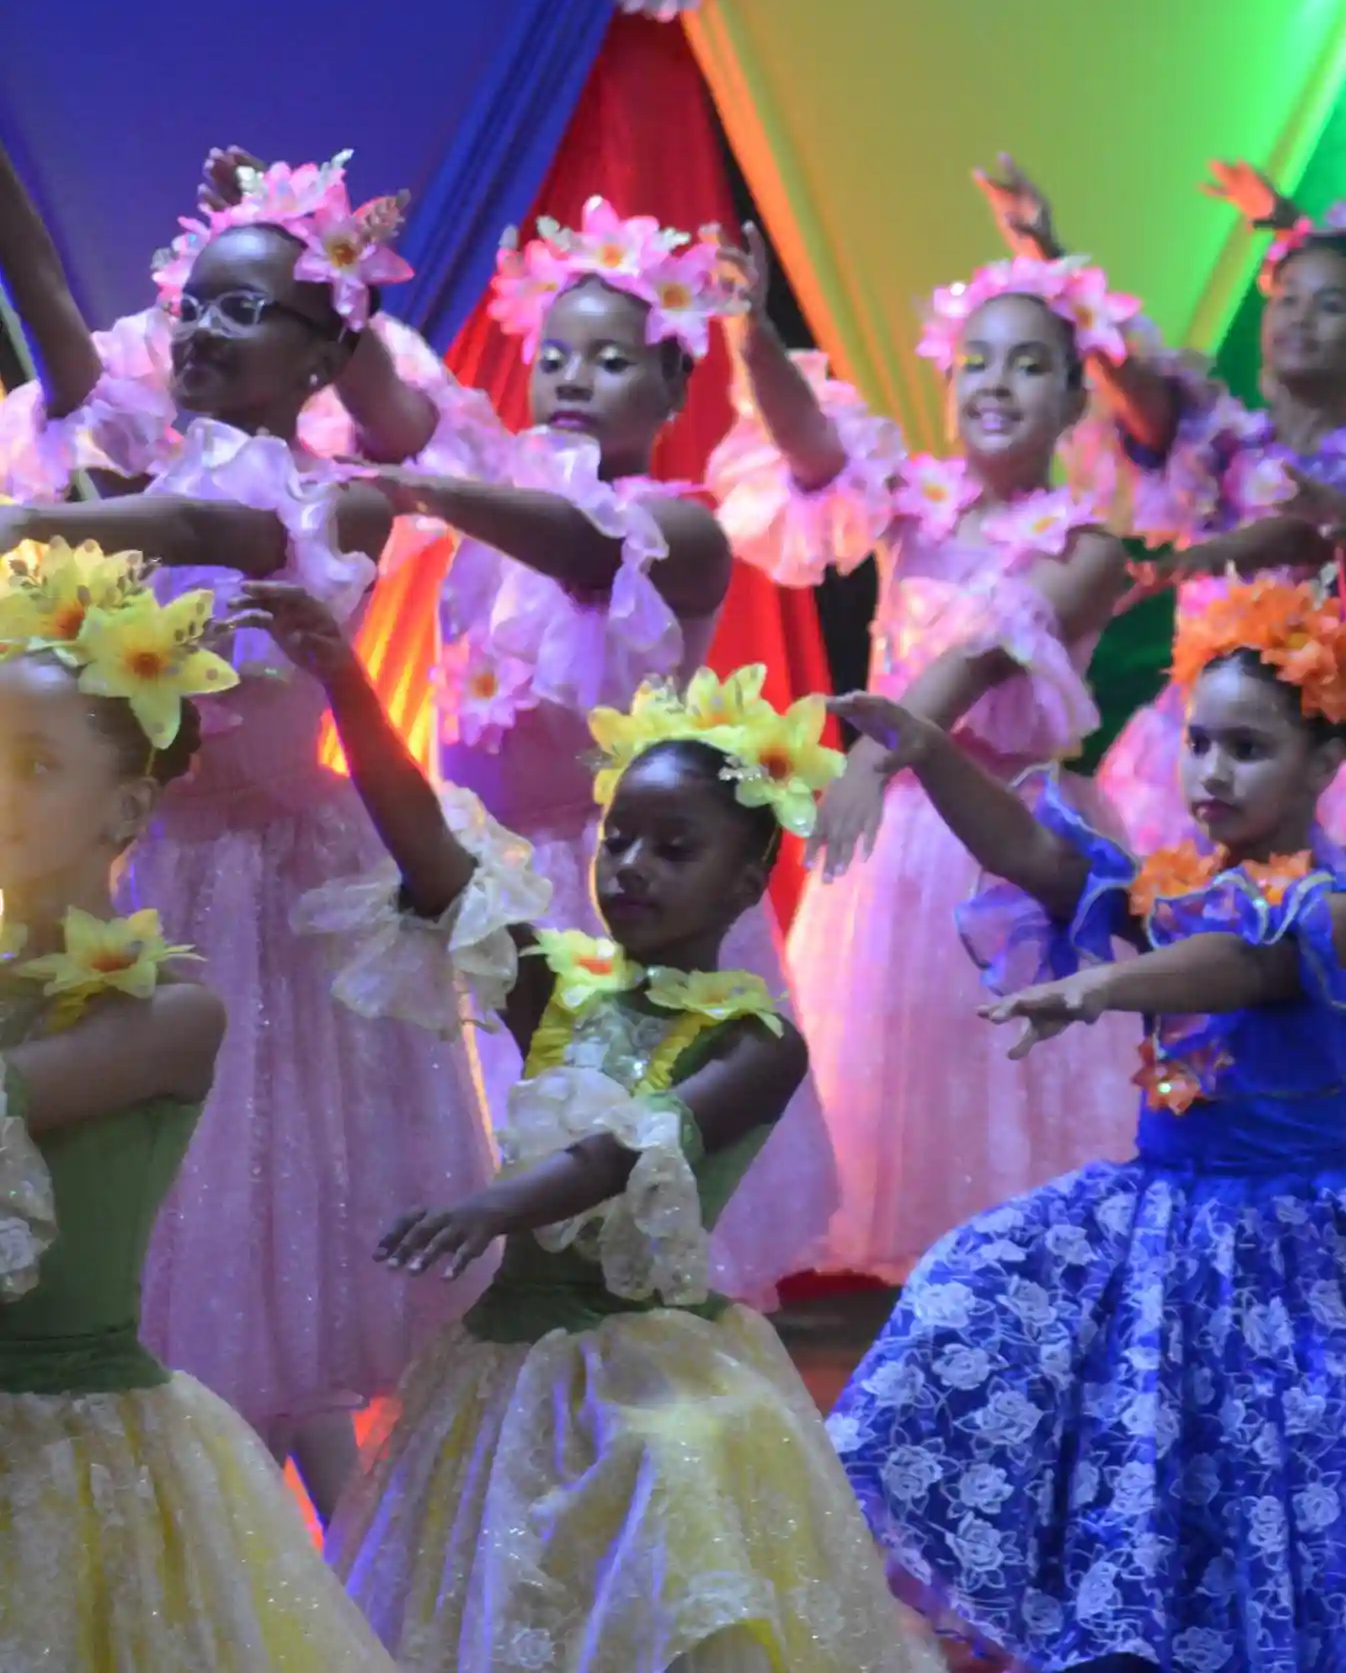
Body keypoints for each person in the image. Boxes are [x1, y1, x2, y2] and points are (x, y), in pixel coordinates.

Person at [243, 578, 936, 1671]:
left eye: (674, 847)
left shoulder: (757, 1041)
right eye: (621, 839)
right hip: (506, 1359)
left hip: (652, 1364)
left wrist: (492, 1202)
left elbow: (628, 1148)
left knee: (662, 1558)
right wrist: (343, 676)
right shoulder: (562, 982)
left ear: (752, 876)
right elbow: (428, 849)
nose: (631, 867)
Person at [825, 573, 1346, 1673]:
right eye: (1201, 744)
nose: (1212, 772)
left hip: (1284, 1251)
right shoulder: (1179, 885)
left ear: (1326, 762)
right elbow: (1038, 859)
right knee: (984, 1291)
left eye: (1249, 748)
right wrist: (930, 747)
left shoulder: (1345, 910)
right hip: (1159, 1223)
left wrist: (1095, 988)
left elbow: (1245, 963)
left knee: (1268, 1492)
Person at [0, 143, 496, 1515]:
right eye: (194, 305)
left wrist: (32, 518)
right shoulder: (127, 450)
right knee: (161, 1222)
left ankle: (333, 1555)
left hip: (278, 894)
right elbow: (40, 291)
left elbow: (205, 520)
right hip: (141, 872)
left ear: (326, 352)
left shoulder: (324, 496)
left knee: (272, 1223)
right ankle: (240, 1537)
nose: (203, 329)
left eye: (243, 309)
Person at [279, 181, 837, 1307]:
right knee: (481, 1180)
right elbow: (386, 402)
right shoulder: (493, 475)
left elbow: (586, 548)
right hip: (489, 875)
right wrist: (312, 265)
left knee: (621, 1203)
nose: (575, 379)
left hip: (626, 890)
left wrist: (437, 488)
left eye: (614, 359)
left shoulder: (682, 525)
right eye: (557, 357)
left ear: (676, 382)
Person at [0, 540, 398, 1670]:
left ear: (126, 804)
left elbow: (18, 1092)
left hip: (74, 1448)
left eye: (33, 766)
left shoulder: (169, 1010)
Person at [708, 247, 1134, 1279]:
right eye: (977, 361)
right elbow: (810, 450)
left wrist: (875, 748)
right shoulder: (913, 505)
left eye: (1030, 364)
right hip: (899, 849)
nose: (997, 381)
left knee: (1002, 1101)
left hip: (1012, 840)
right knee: (890, 1095)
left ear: (1077, 396)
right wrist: (751, 332)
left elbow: (990, 647)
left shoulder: (1088, 545)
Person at [970, 155, 1346, 829]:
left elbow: (1307, 533)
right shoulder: (1220, 441)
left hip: (1324, 747)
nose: (1300, 318)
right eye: (1286, 298)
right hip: (1196, 735)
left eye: (1330, 305)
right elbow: (1129, 378)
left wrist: (1197, 561)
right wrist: (1042, 249)